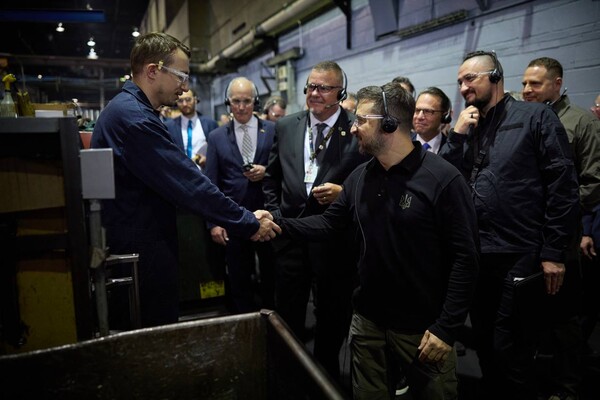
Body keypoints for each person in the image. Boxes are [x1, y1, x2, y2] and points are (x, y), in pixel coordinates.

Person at [277, 82, 479, 399]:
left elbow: (466, 258)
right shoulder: (361, 176)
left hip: (422, 330)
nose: (353, 128)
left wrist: (446, 328)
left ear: (388, 124)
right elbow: (329, 224)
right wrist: (275, 224)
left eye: (361, 120)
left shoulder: (443, 179)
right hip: (367, 323)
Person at [91, 32, 280, 329]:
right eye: (181, 76)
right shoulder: (135, 120)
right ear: (152, 71)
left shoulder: (134, 112)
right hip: (142, 254)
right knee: (153, 339)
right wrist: (248, 222)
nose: (185, 87)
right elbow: (190, 185)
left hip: (143, 246)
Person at [439, 50, 580, 400]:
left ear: (495, 76)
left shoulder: (536, 116)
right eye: (459, 81)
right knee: (485, 343)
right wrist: (456, 136)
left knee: (510, 347)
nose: (463, 87)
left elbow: (562, 184)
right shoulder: (469, 126)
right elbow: (445, 180)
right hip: (478, 253)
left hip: (520, 252)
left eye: (470, 78)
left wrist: (553, 251)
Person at [263, 60, 369, 380]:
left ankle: (326, 376)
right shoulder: (286, 126)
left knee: (332, 316)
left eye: (324, 88)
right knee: (288, 315)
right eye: (311, 86)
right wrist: (275, 213)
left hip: (334, 241)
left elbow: (371, 181)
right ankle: (290, 376)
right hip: (290, 238)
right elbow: (271, 177)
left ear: (341, 93)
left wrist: (344, 193)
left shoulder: (356, 129)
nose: (314, 93)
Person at [522, 56, 600, 400]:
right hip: (525, 233)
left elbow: (594, 181)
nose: (527, 89)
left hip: (561, 233)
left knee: (563, 317)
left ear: (557, 83)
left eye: (535, 84)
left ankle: (567, 389)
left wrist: (557, 210)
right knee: (529, 315)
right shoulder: (521, 119)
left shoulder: (581, 121)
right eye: (524, 83)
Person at [205, 77, 276, 313]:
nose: (242, 107)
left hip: (268, 216)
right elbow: (211, 182)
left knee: (271, 275)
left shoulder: (273, 131)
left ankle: (272, 323)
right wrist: (214, 223)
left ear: (255, 102)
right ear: (228, 102)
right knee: (238, 278)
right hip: (233, 219)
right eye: (236, 101)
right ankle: (244, 321)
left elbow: (284, 170)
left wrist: (266, 171)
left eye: (247, 101)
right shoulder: (216, 137)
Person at [165, 88, 218, 170]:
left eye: (188, 99)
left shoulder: (210, 124)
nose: (184, 104)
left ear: (195, 100)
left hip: (205, 173)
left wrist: (208, 160)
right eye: (180, 101)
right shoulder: (169, 127)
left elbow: (218, 152)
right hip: (180, 173)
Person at [412, 87, 452, 154]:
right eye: (417, 110)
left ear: (444, 116)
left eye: (428, 111)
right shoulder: (402, 143)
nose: (419, 117)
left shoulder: (451, 148)